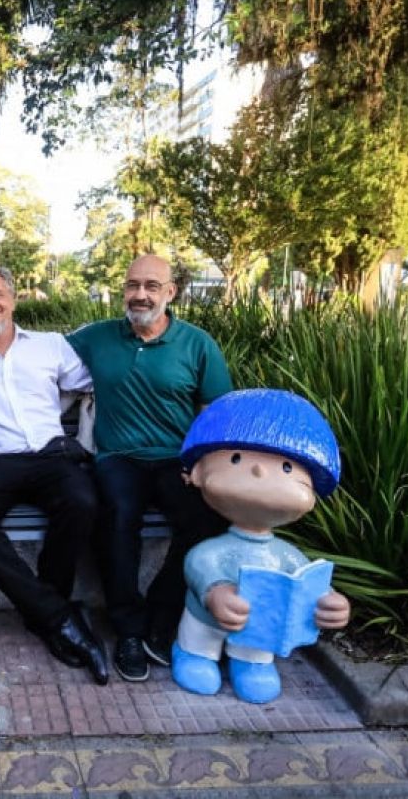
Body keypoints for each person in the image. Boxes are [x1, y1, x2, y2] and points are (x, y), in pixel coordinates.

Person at [0, 263, 109, 686]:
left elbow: (89, 383)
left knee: (83, 502)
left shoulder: (49, 346)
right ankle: (57, 615)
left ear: (12, 298)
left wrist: (73, 424)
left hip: (50, 455)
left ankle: (46, 610)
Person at [66, 254, 232, 682]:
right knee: (117, 517)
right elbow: (35, 355)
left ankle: (162, 614)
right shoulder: (97, 338)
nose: (140, 295)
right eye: (133, 285)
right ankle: (128, 630)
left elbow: (216, 412)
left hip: (176, 459)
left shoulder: (197, 344)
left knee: (207, 519)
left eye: (151, 286)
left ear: (171, 292)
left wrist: (200, 464)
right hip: (117, 457)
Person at [172, 389, 351, 703]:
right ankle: (192, 655)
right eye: (237, 459)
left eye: (286, 467)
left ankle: (251, 665)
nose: (258, 471)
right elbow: (199, 563)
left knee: (256, 653)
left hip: (260, 630)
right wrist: (215, 591)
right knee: (199, 639)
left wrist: (327, 600)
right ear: (198, 472)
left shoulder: (285, 555)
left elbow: (304, 583)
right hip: (205, 621)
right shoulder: (214, 549)